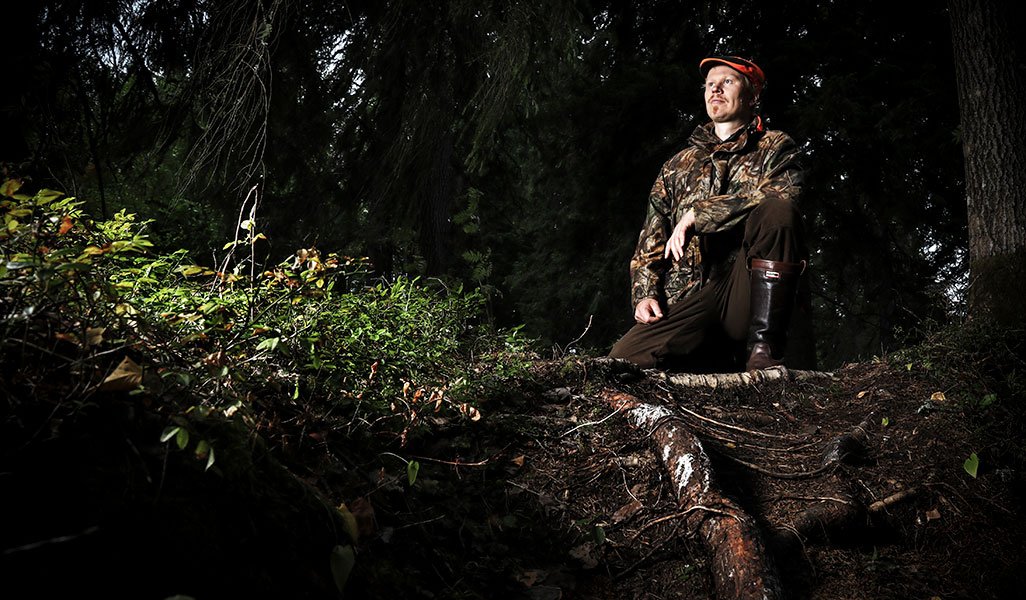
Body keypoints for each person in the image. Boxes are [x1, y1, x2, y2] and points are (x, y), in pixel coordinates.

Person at [608, 55, 809, 372]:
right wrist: (644, 295)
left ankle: (762, 352)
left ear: (752, 95)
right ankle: (705, 355)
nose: (716, 89)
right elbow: (652, 236)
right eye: (709, 84)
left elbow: (784, 197)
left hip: (742, 288)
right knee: (621, 362)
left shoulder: (774, 146)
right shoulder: (678, 165)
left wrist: (699, 214)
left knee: (777, 211)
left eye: (727, 81)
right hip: (689, 297)